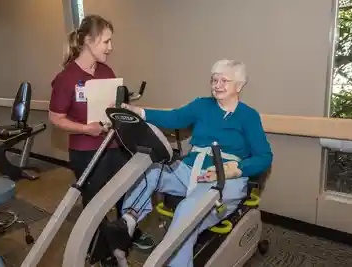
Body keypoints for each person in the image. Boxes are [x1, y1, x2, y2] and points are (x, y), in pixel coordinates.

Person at [103, 59, 273, 267]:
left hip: (224, 179)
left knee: (186, 215)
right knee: (151, 169)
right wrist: (138, 112)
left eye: (224, 81)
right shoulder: (202, 105)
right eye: (214, 80)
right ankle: (129, 219)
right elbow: (174, 118)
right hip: (189, 170)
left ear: (239, 86)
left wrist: (235, 170)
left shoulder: (248, 116)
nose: (217, 85)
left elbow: (265, 157)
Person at [48, 15, 154, 267]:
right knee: (95, 205)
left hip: (115, 146)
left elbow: (113, 108)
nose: (110, 47)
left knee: (125, 196)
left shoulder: (106, 71)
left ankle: (123, 238)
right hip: (86, 152)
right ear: (88, 41)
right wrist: (86, 128)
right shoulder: (66, 78)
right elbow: (56, 118)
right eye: (106, 41)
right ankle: (99, 250)